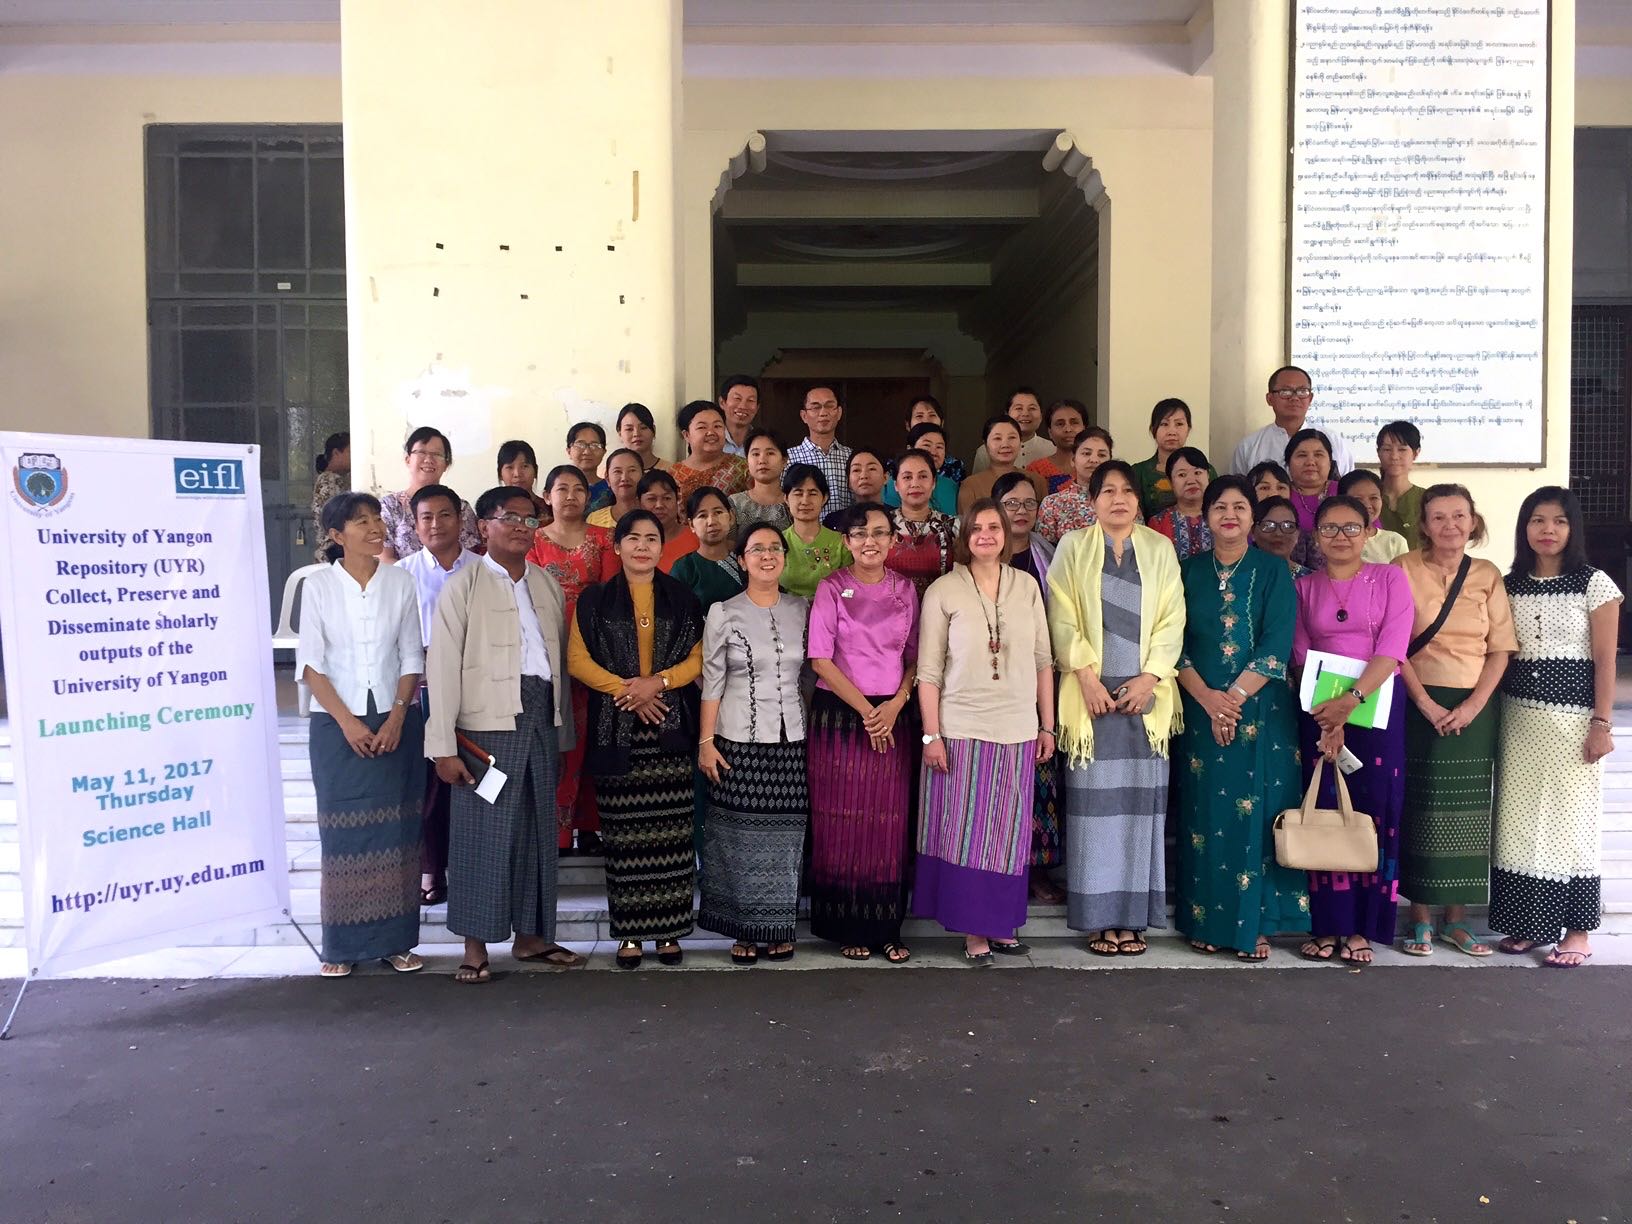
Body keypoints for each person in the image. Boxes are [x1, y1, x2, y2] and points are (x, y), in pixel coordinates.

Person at [426, 485, 581, 983]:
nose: (519, 526)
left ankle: (532, 938)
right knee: (482, 835)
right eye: (507, 517)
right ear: (484, 526)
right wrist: (443, 746)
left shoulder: (546, 583)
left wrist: (559, 732)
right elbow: (443, 665)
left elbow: (557, 662)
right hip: (484, 723)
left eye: (528, 519)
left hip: (538, 716)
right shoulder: (464, 583)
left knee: (538, 832)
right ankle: (475, 946)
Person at [1047, 461, 1184, 956]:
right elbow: (1059, 613)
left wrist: (1150, 678)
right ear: (1093, 499)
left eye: (1127, 490)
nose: (1119, 499)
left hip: (1145, 701)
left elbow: (1173, 618)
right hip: (1092, 700)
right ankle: (1098, 918)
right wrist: (1084, 676)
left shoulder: (1159, 548)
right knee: (1093, 812)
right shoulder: (1073, 546)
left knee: (1140, 812)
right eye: (1108, 491)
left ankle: (1133, 919)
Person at [1174, 476, 1309, 960]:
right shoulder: (1185, 572)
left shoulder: (1275, 572)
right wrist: (1209, 700)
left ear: (1252, 518)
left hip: (1262, 713)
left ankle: (1253, 923)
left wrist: (1230, 699)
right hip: (1198, 709)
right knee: (1206, 814)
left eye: (1239, 507)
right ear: (1205, 518)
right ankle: (1206, 920)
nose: (1229, 515)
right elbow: (1173, 643)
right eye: (1219, 508)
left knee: (1257, 813)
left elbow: (1276, 644)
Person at [916, 500, 1055, 963]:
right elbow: (929, 670)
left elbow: (1042, 661)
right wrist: (931, 735)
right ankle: (975, 930)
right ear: (965, 537)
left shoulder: (1027, 586)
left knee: (1007, 831)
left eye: (994, 527)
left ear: (1008, 533)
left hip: (1016, 727)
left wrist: (1047, 724)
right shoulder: (943, 590)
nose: (986, 536)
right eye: (977, 529)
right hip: (960, 726)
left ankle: (1000, 924)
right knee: (968, 831)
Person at [1490, 487, 1622, 968]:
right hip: (1518, 720)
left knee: (1572, 823)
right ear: (1524, 527)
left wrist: (1602, 723)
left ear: (1573, 529)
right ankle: (1530, 924)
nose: (1548, 530)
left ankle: (1578, 930)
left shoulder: (1596, 584)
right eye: (1538, 520)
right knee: (1519, 823)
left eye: (1559, 521)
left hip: (1573, 725)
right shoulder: (1508, 585)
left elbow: (1606, 660)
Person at [568, 509, 704, 969]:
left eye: (651, 539)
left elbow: (698, 657)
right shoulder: (594, 600)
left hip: (669, 726)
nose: (643, 546)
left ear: (662, 548)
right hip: (617, 728)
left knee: (671, 838)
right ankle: (629, 934)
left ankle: (668, 933)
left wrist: (658, 683)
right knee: (625, 838)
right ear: (618, 545)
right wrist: (630, 690)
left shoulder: (682, 597)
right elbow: (577, 660)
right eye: (634, 538)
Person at [298, 493, 426, 978]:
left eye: (377, 519)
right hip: (336, 725)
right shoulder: (319, 587)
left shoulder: (401, 582)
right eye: (361, 522)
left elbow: (412, 656)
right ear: (336, 536)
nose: (375, 528)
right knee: (344, 835)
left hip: (396, 721)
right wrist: (350, 722)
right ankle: (342, 945)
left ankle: (397, 943)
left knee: (397, 831)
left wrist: (396, 717)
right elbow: (310, 664)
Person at [1291, 495, 1414, 966]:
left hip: (1377, 706)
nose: (1340, 537)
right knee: (1326, 809)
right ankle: (1329, 926)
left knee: (1376, 809)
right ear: (1316, 536)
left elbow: (1393, 646)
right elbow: (1301, 654)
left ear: (1369, 532)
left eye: (1350, 528)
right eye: (1329, 529)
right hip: (1319, 710)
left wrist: (1351, 702)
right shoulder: (1305, 587)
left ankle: (1364, 928)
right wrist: (1330, 715)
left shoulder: (1390, 579)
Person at [1394, 485, 1516, 958]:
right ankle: (1421, 918)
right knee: (1420, 804)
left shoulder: (1486, 575)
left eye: (1459, 516)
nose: (1450, 525)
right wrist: (1425, 703)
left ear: (1473, 521)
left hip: (1475, 706)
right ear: (1424, 525)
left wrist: (1472, 706)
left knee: (1467, 812)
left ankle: (1458, 921)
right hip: (1415, 699)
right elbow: (1392, 645)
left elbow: (1501, 648)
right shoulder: (1402, 569)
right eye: (1439, 517)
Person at [807, 504, 920, 963]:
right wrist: (868, 712)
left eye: (879, 533)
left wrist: (894, 705)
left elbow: (915, 658)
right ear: (847, 542)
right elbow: (820, 659)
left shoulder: (906, 589)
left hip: (894, 716)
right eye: (860, 534)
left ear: (893, 539)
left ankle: (887, 926)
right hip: (839, 717)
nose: (870, 541)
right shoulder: (831, 587)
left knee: (889, 823)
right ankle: (846, 925)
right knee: (841, 821)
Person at [697, 521, 811, 964]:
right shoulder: (723, 611)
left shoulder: (802, 608)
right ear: (741, 559)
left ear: (785, 556)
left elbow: (808, 677)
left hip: (792, 742)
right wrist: (707, 742)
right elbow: (713, 681)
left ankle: (778, 927)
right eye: (757, 549)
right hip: (737, 739)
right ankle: (744, 929)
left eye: (775, 548)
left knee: (786, 837)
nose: (767, 555)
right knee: (737, 836)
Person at [395, 483, 479, 907]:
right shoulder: (402, 574)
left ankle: (470, 867)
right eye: (426, 517)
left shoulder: (484, 570)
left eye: (444, 514)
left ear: (460, 520)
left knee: (472, 780)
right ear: (415, 525)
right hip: (424, 691)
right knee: (430, 785)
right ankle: (431, 869)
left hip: (476, 688)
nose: (435, 524)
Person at [526, 466, 617, 853]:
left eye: (579, 489)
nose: (571, 496)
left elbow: (613, 594)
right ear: (547, 495)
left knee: (592, 737)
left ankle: (589, 827)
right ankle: (558, 830)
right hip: (545, 649)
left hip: (593, 648)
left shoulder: (604, 538)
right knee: (558, 739)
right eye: (561, 488)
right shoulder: (533, 540)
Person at [993, 472, 1064, 904]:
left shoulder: (1048, 555)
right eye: (1012, 503)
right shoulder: (979, 554)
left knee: (1039, 775)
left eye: (1028, 504)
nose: (1021, 512)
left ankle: (1036, 870)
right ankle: (1002, 864)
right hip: (989, 682)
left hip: (1038, 676)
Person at [1229, 365, 1356, 477]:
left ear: (1310, 398)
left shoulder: (1333, 441)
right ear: (1269, 398)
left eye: (1302, 391)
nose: (1294, 398)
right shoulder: (1249, 446)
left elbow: (1347, 489)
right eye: (1285, 391)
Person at [379, 427, 480, 561]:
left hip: (456, 581)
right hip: (403, 581)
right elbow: (384, 559)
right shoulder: (389, 507)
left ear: (446, 464)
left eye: (437, 454)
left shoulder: (461, 508)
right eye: (421, 452)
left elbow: (468, 561)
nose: (428, 459)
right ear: (408, 460)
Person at [885, 449, 958, 598]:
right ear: (896, 485)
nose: (915, 484)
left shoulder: (954, 526)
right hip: (891, 614)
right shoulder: (882, 526)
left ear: (933, 483)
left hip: (940, 612)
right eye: (907, 477)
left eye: (923, 476)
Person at [1131, 398, 1211, 519]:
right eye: (1164, 424)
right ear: (1153, 430)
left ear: (1188, 429)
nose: (1172, 431)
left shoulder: (1206, 470)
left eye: (1179, 424)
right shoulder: (1138, 472)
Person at [780, 463, 851, 598]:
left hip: (833, 612)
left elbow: (849, 590)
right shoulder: (777, 542)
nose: (805, 501)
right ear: (786, 498)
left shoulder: (841, 542)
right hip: (787, 613)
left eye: (813, 493)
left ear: (824, 498)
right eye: (798, 493)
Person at [671, 487, 745, 612]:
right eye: (702, 516)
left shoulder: (746, 560)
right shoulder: (685, 569)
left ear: (731, 517)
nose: (711, 522)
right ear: (691, 525)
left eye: (718, 512)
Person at [1036, 427, 1113, 544]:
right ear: (1073, 460)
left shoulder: (1123, 502)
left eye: (1101, 455)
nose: (1094, 460)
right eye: (1086, 453)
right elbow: (1044, 553)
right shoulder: (1052, 504)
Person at [788, 384, 855, 514]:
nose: (823, 413)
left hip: (847, 532)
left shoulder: (852, 457)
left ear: (839, 412)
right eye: (815, 407)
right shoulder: (788, 458)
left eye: (829, 406)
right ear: (804, 416)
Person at [958, 416, 1047, 513]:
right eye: (997, 438)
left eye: (1012, 437)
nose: (1005, 444)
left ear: (1020, 441)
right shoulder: (971, 486)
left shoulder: (1038, 481)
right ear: (985, 444)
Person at [669, 401, 749, 507]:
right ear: (686, 435)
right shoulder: (673, 474)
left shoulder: (743, 468)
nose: (711, 432)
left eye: (717, 426)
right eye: (702, 427)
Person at [1284, 428, 1340, 573]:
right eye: (1302, 455)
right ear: (1288, 463)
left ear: (1330, 461)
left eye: (1318, 455)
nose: (1310, 462)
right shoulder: (1280, 492)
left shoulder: (1345, 492)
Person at [1146, 446, 1214, 558]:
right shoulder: (1158, 523)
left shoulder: (1222, 517)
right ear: (1170, 481)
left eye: (1197, 473)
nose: (1191, 481)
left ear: (1208, 475)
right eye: (1182, 475)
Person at [882, 422, 960, 516]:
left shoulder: (951, 486)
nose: (934, 452)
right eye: (927, 445)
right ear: (910, 449)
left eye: (939, 447)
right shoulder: (894, 485)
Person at [972, 386, 1054, 472]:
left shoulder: (1051, 450)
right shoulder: (986, 451)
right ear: (1007, 414)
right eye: (1018, 408)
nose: (1025, 414)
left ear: (1041, 416)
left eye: (1032, 408)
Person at [1337, 469, 1410, 564]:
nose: (1367, 505)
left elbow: (1402, 577)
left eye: (1373, 498)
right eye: (1358, 499)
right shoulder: (1334, 539)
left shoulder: (1394, 541)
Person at [637, 468, 699, 572]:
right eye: (651, 499)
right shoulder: (632, 543)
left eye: (667, 498)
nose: (659, 505)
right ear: (638, 502)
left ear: (677, 499)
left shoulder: (697, 537)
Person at [730, 428, 792, 530]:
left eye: (770, 453)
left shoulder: (794, 501)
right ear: (747, 460)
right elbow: (729, 544)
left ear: (784, 460)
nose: (762, 460)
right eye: (755, 454)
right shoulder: (735, 503)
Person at [1027, 399, 1088, 493]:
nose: (1068, 429)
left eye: (1074, 422)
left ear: (1084, 428)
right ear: (1050, 432)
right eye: (1060, 424)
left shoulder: (1095, 465)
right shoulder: (1036, 469)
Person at [1376, 420, 1424, 539]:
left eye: (1402, 449)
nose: (1394, 457)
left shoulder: (1427, 499)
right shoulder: (1368, 496)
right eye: (1387, 449)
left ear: (1416, 453)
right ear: (1378, 453)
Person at [904, 395, 967, 483]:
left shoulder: (955, 467)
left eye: (932, 415)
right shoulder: (894, 467)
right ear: (907, 425)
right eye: (919, 416)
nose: (926, 420)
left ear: (942, 423)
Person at [311, 432, 350, 562]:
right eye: (350, 452)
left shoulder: (337, 479)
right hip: (333, 551)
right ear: (336, 453)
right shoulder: (330, 480)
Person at [1252, 495, 1310, 579]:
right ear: (1252, 532)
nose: (1278, 533)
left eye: (1288, 526)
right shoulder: (1238, 576)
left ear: (1297, 534)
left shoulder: (1311, 581)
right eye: (1269, 525)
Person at [587, 447, 644, 529]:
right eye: (617, 471)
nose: (624, 478)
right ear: (607, 478)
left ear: (642, 475)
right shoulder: (594, 520)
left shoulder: (654, 515)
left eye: (632, 470)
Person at [830, 446, 888, 526]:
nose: (863, 476)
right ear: (848, 481)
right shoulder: (833, 521)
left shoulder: (896, 517)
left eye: (872, 469)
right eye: (856, 470)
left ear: (885, 477)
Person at [497, 439, 550, 522]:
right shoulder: (494, 511)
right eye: (510, 467)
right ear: (500, 474)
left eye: (524, 466)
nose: (517, 474)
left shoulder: (550, 508)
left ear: (535, 471)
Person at [565, 422, 612, 511]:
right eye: (580, 445)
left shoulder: (611, 489)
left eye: (594, 445)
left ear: (604, 452)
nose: (587, 451)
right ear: (569, 451)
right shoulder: (559, 488)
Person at [616, 402, 670, 472]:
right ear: (620, 434)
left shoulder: (672, 471)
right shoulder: (608, 473)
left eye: (643, 427)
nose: (636, 434)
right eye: (629, 429)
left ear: (654, 430)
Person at [717, 373, 760, 456]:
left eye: (750, 400)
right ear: (722, 402)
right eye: (737, 398)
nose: (743, 406)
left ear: (757, 407)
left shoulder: (763, 443)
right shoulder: (712, 441)